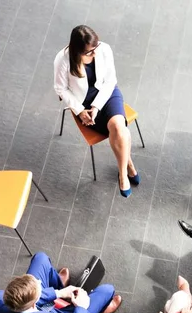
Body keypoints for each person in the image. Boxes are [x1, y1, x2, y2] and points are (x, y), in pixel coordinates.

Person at [54, 25, 139, 198]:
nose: (94, 54)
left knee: (118, 127)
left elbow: (111, 81)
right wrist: (79, 110)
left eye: (95, 49)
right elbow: (60, 89)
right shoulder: (62, 60)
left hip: (107, 94)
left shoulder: (103, 49)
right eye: (89, 52)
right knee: (120, 131)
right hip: (82, 102)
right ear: (77, 51)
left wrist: (97, 106)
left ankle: (123, 174)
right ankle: (128, 164)